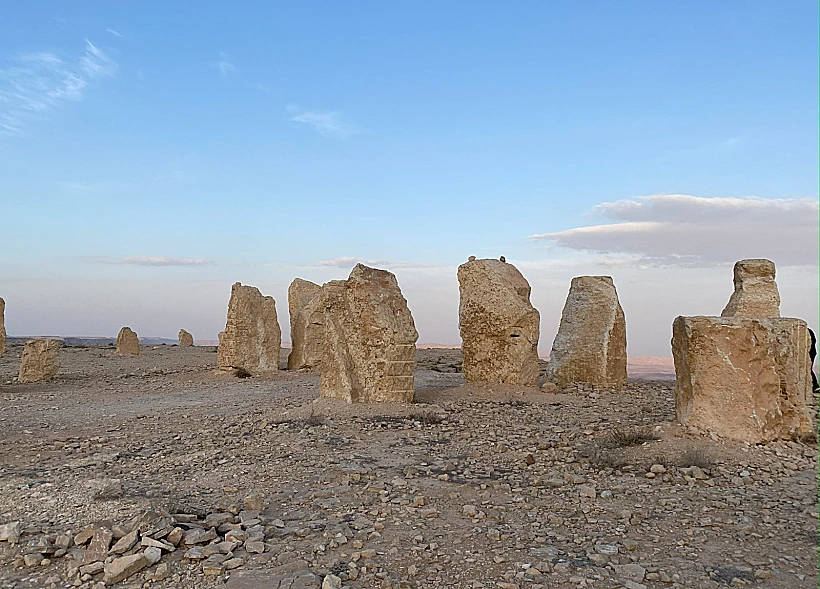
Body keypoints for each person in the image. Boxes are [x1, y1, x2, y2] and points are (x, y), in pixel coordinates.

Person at [809, 328, 819, 394]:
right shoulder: (809, 331)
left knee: (808, 369)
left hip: (810, 352)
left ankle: (815, 385)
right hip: (812, 352)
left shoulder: (807, 331)